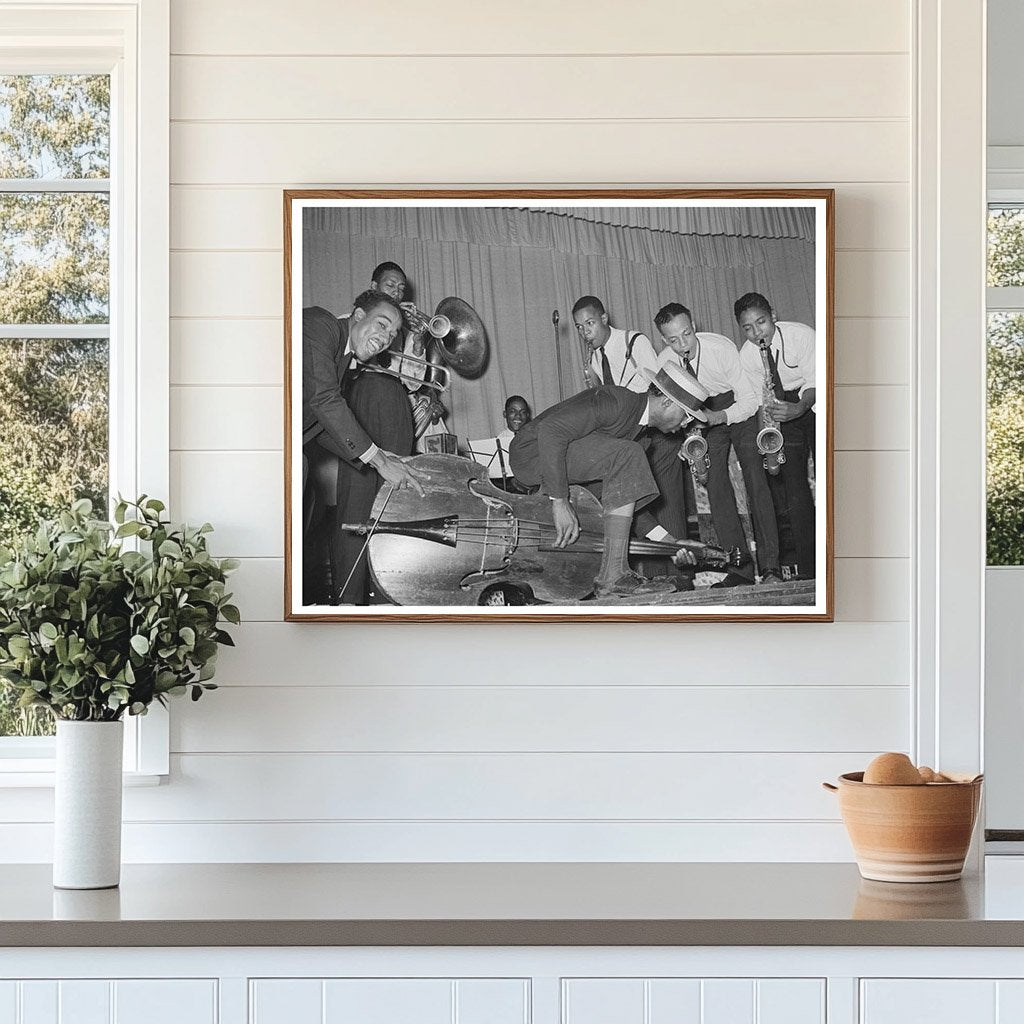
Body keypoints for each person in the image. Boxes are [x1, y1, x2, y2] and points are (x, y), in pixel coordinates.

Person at [508, 366, 708, 600]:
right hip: (530, 454)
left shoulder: (640, 438)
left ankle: (613, 574)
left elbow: (618, 503)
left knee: (628, 455)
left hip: (556, 461)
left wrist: (670, 543)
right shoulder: (616, 401)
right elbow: (551, 431)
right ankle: (613, 576)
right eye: (686, 415)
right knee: (628, 454)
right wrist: (559, 501)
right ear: (667, 402)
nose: (686, 424)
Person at [302, 290, 428, 605]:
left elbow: (319, 429)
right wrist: (379, 460)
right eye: (382, 324)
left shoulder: (345, 360)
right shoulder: (321, 325)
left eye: (393, 333)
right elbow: (324, 401)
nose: (386, 338)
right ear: (358, 315)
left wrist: (380, 457)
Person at [654, 302, 782, 584]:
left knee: (755, 478)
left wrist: (717, 417)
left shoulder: (720, 348)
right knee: (716, 487)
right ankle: (740, 569)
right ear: (664, 339)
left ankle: (772, 567)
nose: (682, 344)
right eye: (673, 340)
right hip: (703, 415)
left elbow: (749, 400)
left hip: (736, 408)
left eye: (686, 334)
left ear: (694, 327)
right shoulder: (666, 361)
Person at [572, 295, 688, 538]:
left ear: (604, 318)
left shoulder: (634, 341)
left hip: (658, 433)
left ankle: (680, 568)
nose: (585, 332)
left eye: (590, 323)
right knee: (640, 506)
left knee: (667, 506)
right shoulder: (594, 358)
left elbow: (657, 390)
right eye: (580, 327)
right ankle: (658, 574)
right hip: (633, 438)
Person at [735, 291, 817, 579]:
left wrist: (800, 408)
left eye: (761, 322)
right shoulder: (747, 356)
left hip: (815, 401)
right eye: (748, 328)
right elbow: (762, 399)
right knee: (795, 491)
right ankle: (811, 572)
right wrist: (769, 440)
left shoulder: (802, 336)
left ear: (774, 316)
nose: (757, 333)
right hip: (781, 407)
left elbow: (817, 380)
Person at [468, 395, 537, 492]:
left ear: (528, 415)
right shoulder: (498, 442)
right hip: (507, 488)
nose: (518, 416)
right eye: (513, 411)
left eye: (523, 412)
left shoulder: (534, 439)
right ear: (505, 414)